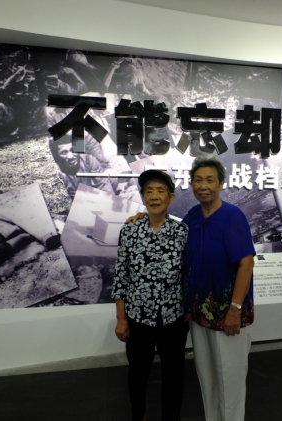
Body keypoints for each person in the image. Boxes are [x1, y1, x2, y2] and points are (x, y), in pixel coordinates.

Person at [127, 155, 256, 421]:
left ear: (221, 183)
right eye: (198, 180)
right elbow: (168, 229)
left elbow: (246, 264)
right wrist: (145, 217)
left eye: (210, 180)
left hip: (227, 314)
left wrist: (234, 310)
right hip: (198, 315)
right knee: (207, 379)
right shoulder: (193, 216)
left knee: (229, 379)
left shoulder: (233, 216)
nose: (203, 185)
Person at [112, 170, 189, 421]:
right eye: (149, 191)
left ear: (171, 197)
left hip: (173, 317)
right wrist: (121, 318)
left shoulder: (182, 232)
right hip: (138, 317)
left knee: (174, 374)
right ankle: (140, 416)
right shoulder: (130, 230)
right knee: (138, 373)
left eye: (160, 191)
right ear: (143, 197)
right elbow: (121, 275)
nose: (154, 196)